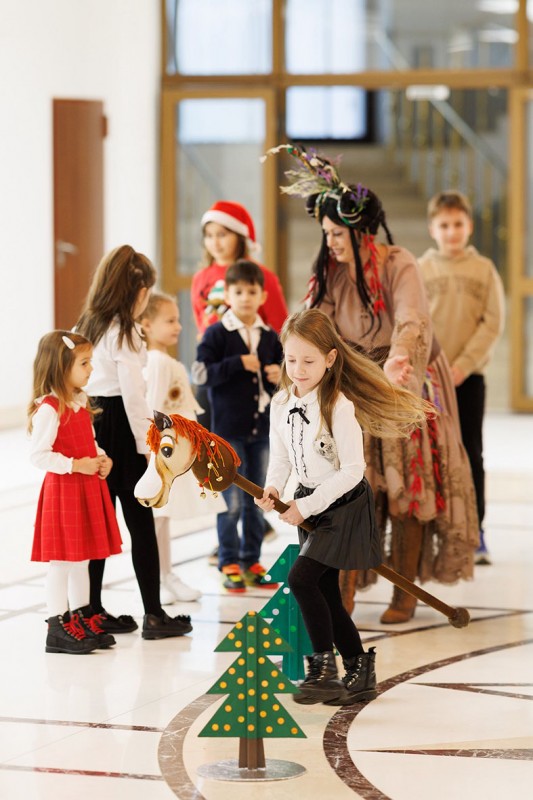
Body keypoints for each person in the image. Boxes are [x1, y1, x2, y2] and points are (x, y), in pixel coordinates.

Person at [263, 144, 479, 624]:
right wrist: (298, 364)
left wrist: (399, 363)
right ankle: (341, 595)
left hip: (404, 381)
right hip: (352, 380)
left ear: (361, 231)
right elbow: (316, 327)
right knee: (347, 484)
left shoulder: (398, 262)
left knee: (405, 489)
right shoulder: (330, 273)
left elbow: (412, 320)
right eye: (326, 234)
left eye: (337, 234)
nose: (332, 243)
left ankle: (404, 593)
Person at [255, 309, 430, 704]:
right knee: (326, 592)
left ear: (330, 358)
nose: (298, 370)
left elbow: (352, 471)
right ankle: (358, 669)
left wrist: (306, 506)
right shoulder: (280, 402)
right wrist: (273, 487)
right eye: (291, 359)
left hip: (343, 505)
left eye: (309, 361)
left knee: (302, 579)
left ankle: (323, 671)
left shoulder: (338, 405)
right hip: (310, 503)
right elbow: (279, 457)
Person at [76, 245, 193, 640]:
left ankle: (91, 610)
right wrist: (148, 449)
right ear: (137, 291)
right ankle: (154, 615)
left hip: (94, 422)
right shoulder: (124, 330)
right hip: (120, 427)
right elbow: (133, 396)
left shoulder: (89, 322)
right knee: (141, 523)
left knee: (98, 522)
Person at [192, 200, 288, 559]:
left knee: (252, 457)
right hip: (218, 380)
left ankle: (250, 534)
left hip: (254, 387)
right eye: (209, 235)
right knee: (218, 459)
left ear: (240, 237)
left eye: (223, 234)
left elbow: (279, 327)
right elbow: (203, 328)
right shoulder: (202, 279)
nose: (216, 242)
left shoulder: (261, 276)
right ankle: (229, 537)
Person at [419, 191, 505, 566]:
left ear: (469, 226)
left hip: (468, 380)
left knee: (471, 453)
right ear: (432, 229)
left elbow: (493, 323)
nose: (451, 231)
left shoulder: (484, 269)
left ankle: (475, 530)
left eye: (458, 224)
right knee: (432, 454)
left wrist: (463, 366)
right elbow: (416, 322)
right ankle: (436, 532)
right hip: (429, 380)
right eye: (444, 225)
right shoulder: (421, 269)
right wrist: (433, 366)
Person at [29, 330, 122, 654]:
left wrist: (102, 458)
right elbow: (38, 455)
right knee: (62, 562)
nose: (91, 369)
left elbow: (90, 442)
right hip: (65, 490)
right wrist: (75, 465)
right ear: (60, 366)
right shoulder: (49, 409)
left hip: (85, 486)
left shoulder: (80, 403)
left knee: (82, 558)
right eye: (84, 363)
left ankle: (82, 616)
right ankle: (57, 625)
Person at [140, 291, 226, 603]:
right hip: (163, 455)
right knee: (158, 517)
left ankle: (165, 575)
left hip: (170, 454)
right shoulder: (158, 362)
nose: (178, 326)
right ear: (146, 325)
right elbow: (152, 411)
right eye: (170, 320)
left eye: (178, 319)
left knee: (162, 518)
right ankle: (159, 578)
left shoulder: (162, 360)